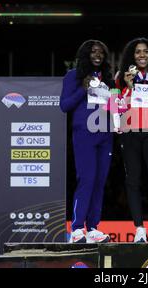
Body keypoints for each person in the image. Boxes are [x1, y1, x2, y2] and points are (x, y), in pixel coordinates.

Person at [115, 37, 148, 243]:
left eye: (146, 51)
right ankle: (139, 229)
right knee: (133, 181)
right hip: (129, 132)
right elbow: (116, 104)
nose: (142, 55)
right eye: (138, 51)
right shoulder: (122, 76)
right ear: (132, 55)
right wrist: (128, 86)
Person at [60, 39, 114, 243]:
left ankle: (92, 228)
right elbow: (64, 106)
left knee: (100, 182)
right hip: (84, 134)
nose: (97, 55)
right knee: (87, 179)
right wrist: (83, 88)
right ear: (85, 54)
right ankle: (76, 229)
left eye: (101, 52)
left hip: (105, 135)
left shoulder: (107, 78)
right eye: (93, 51)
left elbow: (113, 105)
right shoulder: (73, 76)